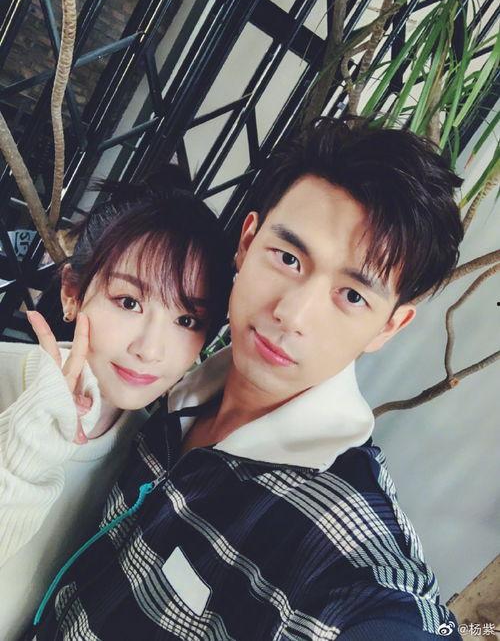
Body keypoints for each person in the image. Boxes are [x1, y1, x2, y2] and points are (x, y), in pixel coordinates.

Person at [33, 118, 464, 640]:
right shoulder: (167, 394)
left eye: (352, 296)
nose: (292, 314)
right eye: (288, 258)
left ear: (389, 327)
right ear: (247, 241)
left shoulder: (346, 547)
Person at [0, 166, 232, 641]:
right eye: (129, 302)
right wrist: (26, 455)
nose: (150, 349)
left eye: (187, 320)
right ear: (71, 294)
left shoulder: (150, 457)